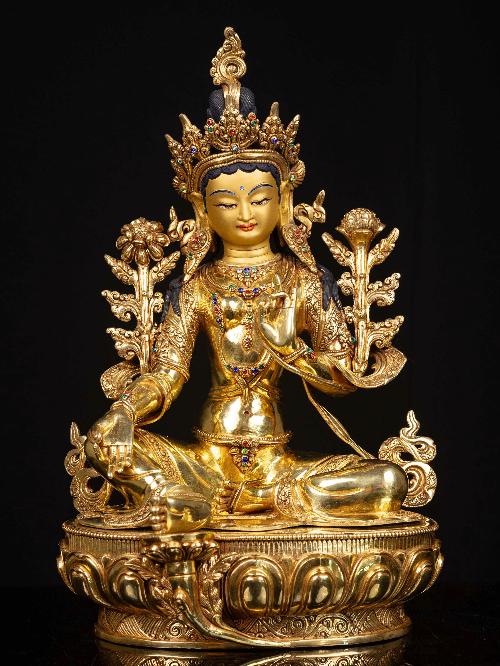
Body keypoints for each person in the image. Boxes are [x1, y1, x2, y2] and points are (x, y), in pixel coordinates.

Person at [85, 29, 408, 533]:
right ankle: (185, 497)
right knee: (103, 441)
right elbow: (167, 375)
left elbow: (344, 377)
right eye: (226, 202)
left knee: (388, 481)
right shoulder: (196, 285)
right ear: (202, 210)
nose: (244, 213)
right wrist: (125, 410)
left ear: (283, 200)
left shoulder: (303, 281)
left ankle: (218, 505)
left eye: (258, 198)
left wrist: (293, 351)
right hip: (204, 463)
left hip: (279, 467)